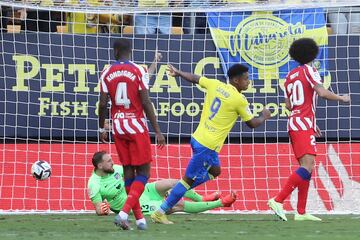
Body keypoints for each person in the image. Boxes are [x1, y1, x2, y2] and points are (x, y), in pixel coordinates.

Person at [151, 63, 271, 224]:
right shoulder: (239, 99)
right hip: (207, 146)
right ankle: (161, 211)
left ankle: (177, 190)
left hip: (197, 138)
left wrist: (179, 72)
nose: (248, 82)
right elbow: (252, 123)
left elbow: (195, 78)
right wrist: (264, 116)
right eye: (246, 79)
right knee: (187, 181)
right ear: (236, 80)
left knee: (215, 170)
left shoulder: (215, 84)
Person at [268, 38, 350, 221]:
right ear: (313, 54)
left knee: (307, 167)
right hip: (303, 123)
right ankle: (278, 199)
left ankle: (301, 212)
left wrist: (312, 122)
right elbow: (321, 92)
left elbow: (289, 105)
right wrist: (342, 98)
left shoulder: (289, 76)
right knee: (308, 166)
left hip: (297, 122)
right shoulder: (310, 70)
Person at [98, 38, 165, 230]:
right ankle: (123, 213)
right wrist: (157, 130)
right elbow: (145, 102)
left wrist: (103, 127)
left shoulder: (106, 72)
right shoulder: (138, 70)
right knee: (144, 173)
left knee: (128, 172)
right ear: (129, 50)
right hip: (136, 126)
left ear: (116, 51)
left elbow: (103, 104)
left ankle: (140, 220)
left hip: (118, 126)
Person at [88, 151, 237, 217]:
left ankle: (201, 199)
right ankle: (221, 203)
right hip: (135, 205)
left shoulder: (115, 169)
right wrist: (103, 210)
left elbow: (136, 177)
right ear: (100, 166)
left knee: (174, 183)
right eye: (108, 161)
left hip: (144, 191)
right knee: (175, 204)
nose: (112, 162)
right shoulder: (94, 184)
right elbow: (98, 209)